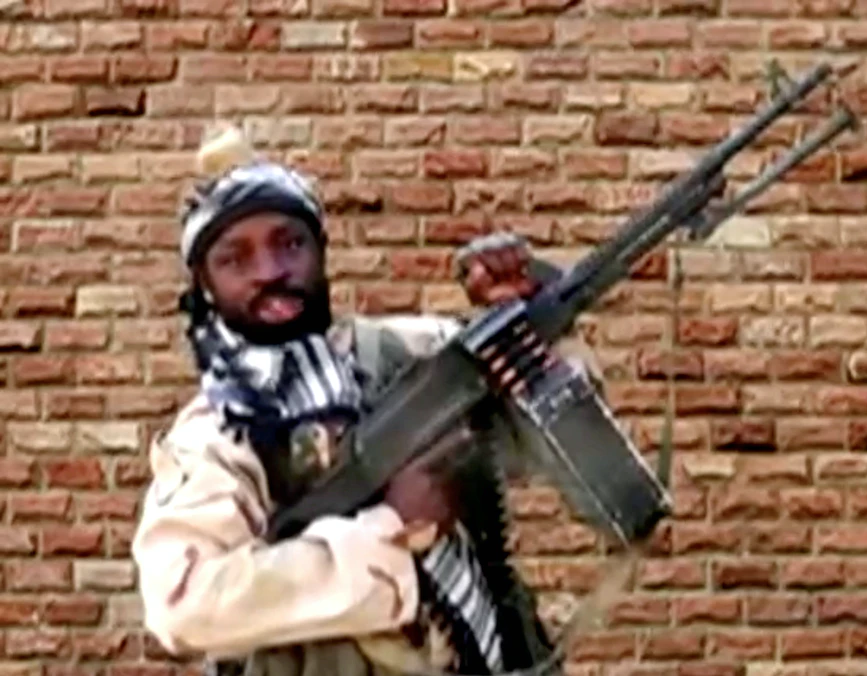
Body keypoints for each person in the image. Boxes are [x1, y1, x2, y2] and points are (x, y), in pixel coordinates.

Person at [131, 124, 601, 676]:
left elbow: (559, 429)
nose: (271, 272)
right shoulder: (219, 432)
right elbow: (182, 604)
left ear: (320, 251)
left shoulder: (407, 354)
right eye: (235, 259)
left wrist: (520, 325)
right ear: (206, 288)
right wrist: (389, 529)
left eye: (290, 243)